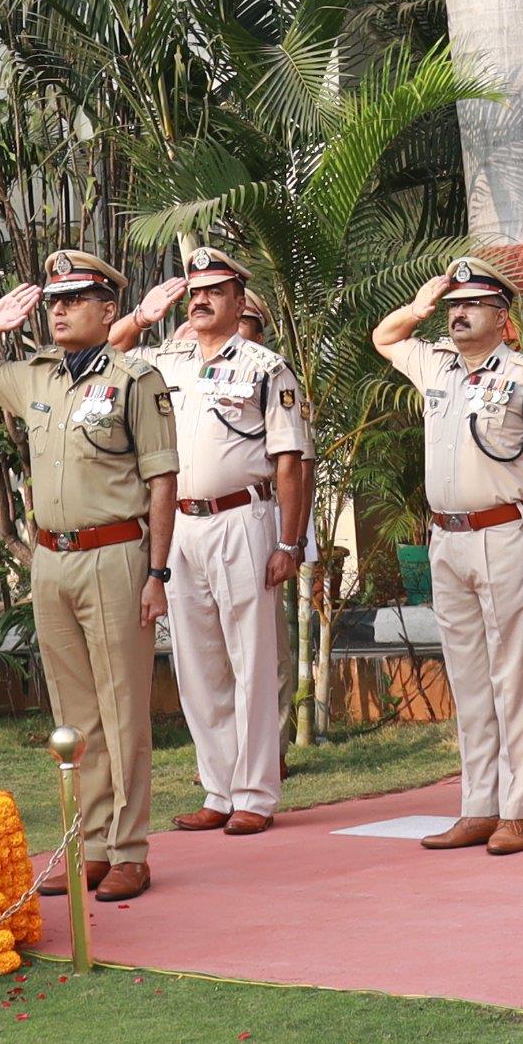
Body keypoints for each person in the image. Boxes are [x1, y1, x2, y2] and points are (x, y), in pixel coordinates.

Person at [0, 250, 178, 901]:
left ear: (109, 310)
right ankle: (93, 843)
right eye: (53, 299)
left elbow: (162, 480)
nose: (58, 309)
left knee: (124, 706)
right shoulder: (36, 377)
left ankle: (130, 848)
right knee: (75, 714)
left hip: (115, 553)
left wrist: (157, 571)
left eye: (74, 298)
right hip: (50, 558)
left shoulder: (137, 378)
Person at [113, 243, 314, 838]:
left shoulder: (264, 366)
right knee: (196, 664)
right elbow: (108, 352)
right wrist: (145, 316)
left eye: (215, 292)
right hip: (178, 525)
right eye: (194, 292)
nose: (201, 300)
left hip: (242, 521)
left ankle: (255, 792)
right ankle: (218, 789)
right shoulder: (167, 360)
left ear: (237, 300)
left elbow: (289, 461)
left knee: (251, 658)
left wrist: (290, 541)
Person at [373, 257, 523, 853]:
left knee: (512, 676)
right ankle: (477, 805)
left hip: (506, 534)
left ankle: (516, 810)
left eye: (472, 304)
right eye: (454, 305)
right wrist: (419, 305)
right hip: (446, 539)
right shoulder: (436, 364)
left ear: (502, 318)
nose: (459, 313)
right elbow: (384, 336)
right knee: (468, 677)